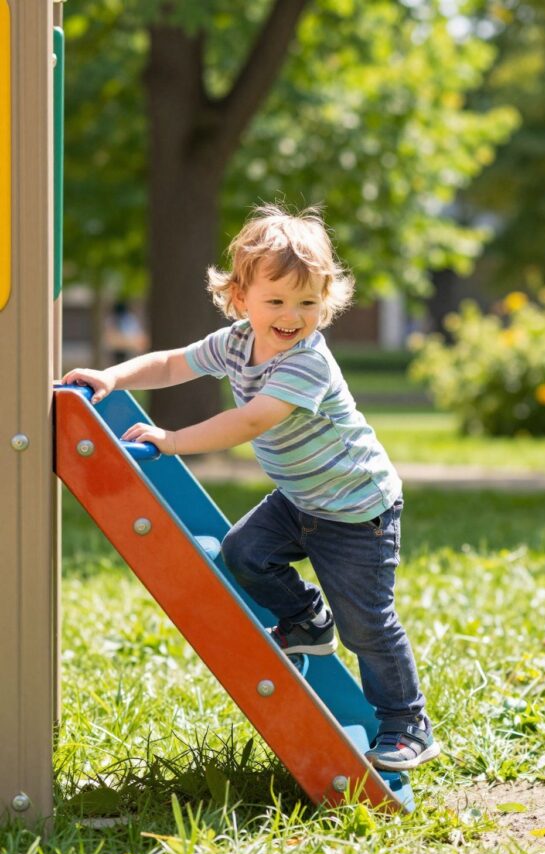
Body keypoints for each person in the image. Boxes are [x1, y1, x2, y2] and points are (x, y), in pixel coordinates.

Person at [62, 205, 439, 771]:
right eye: (277, 301)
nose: (292, 316)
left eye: (308, 303)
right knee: (244, 554)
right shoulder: (237, 343)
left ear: (326, 303)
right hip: (301, 499)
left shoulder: (307, 363)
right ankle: (308, 618)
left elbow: (251, 422)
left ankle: (407, 722)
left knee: (366, 622)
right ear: (240, 298)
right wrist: (112, 376)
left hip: (359, 510)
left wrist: (171, 439)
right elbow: (172, 363)